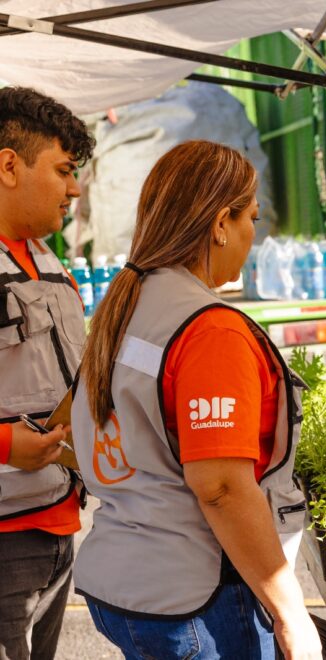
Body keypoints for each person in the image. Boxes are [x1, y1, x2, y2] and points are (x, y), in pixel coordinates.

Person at [71, 140, 322, 660]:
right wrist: (290, 612)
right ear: (220, 223)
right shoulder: (211, 331)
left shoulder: (128, 303)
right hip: (198, 598)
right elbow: (222, 488)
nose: (254, 234)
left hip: (125, 583)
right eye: (251, 218)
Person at [0, 87, 93, 660]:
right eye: (63, 170)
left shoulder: (46, 258)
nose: (74, 189)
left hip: (56, 525)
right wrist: (7, 444)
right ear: (9, 165)